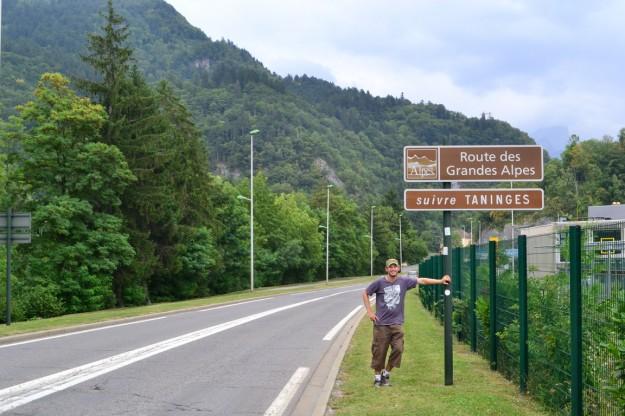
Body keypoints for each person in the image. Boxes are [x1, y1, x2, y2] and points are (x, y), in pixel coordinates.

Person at [362, 258, 451, 387]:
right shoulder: (379, 283)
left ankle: (386, 373)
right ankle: (377, 378)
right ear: (386, 269)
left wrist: (441, 281)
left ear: (398, 269)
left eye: (395, 267)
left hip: (397, 323)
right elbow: (365, 293)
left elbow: (422, 280)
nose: (393, 269)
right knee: (379, 351)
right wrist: (370, 312)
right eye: (390, 267)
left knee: (398, 349)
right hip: (381, 324)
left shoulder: (403, 281)